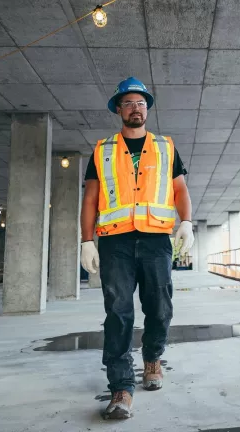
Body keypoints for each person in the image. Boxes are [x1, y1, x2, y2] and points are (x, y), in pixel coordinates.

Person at [80, 77, 194, 420]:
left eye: (141, 103)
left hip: (157, 239)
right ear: (118, 109)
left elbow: (180, 190)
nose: (135, 108)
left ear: (147, 109)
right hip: (115, 241)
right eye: (128, 103)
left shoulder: (165, 147)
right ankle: (121, 387)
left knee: (159, 307)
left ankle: (153, 360)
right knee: (118, 313)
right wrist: (87, 240)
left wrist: (186, 221)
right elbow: (90, 198)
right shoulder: (102, 150)